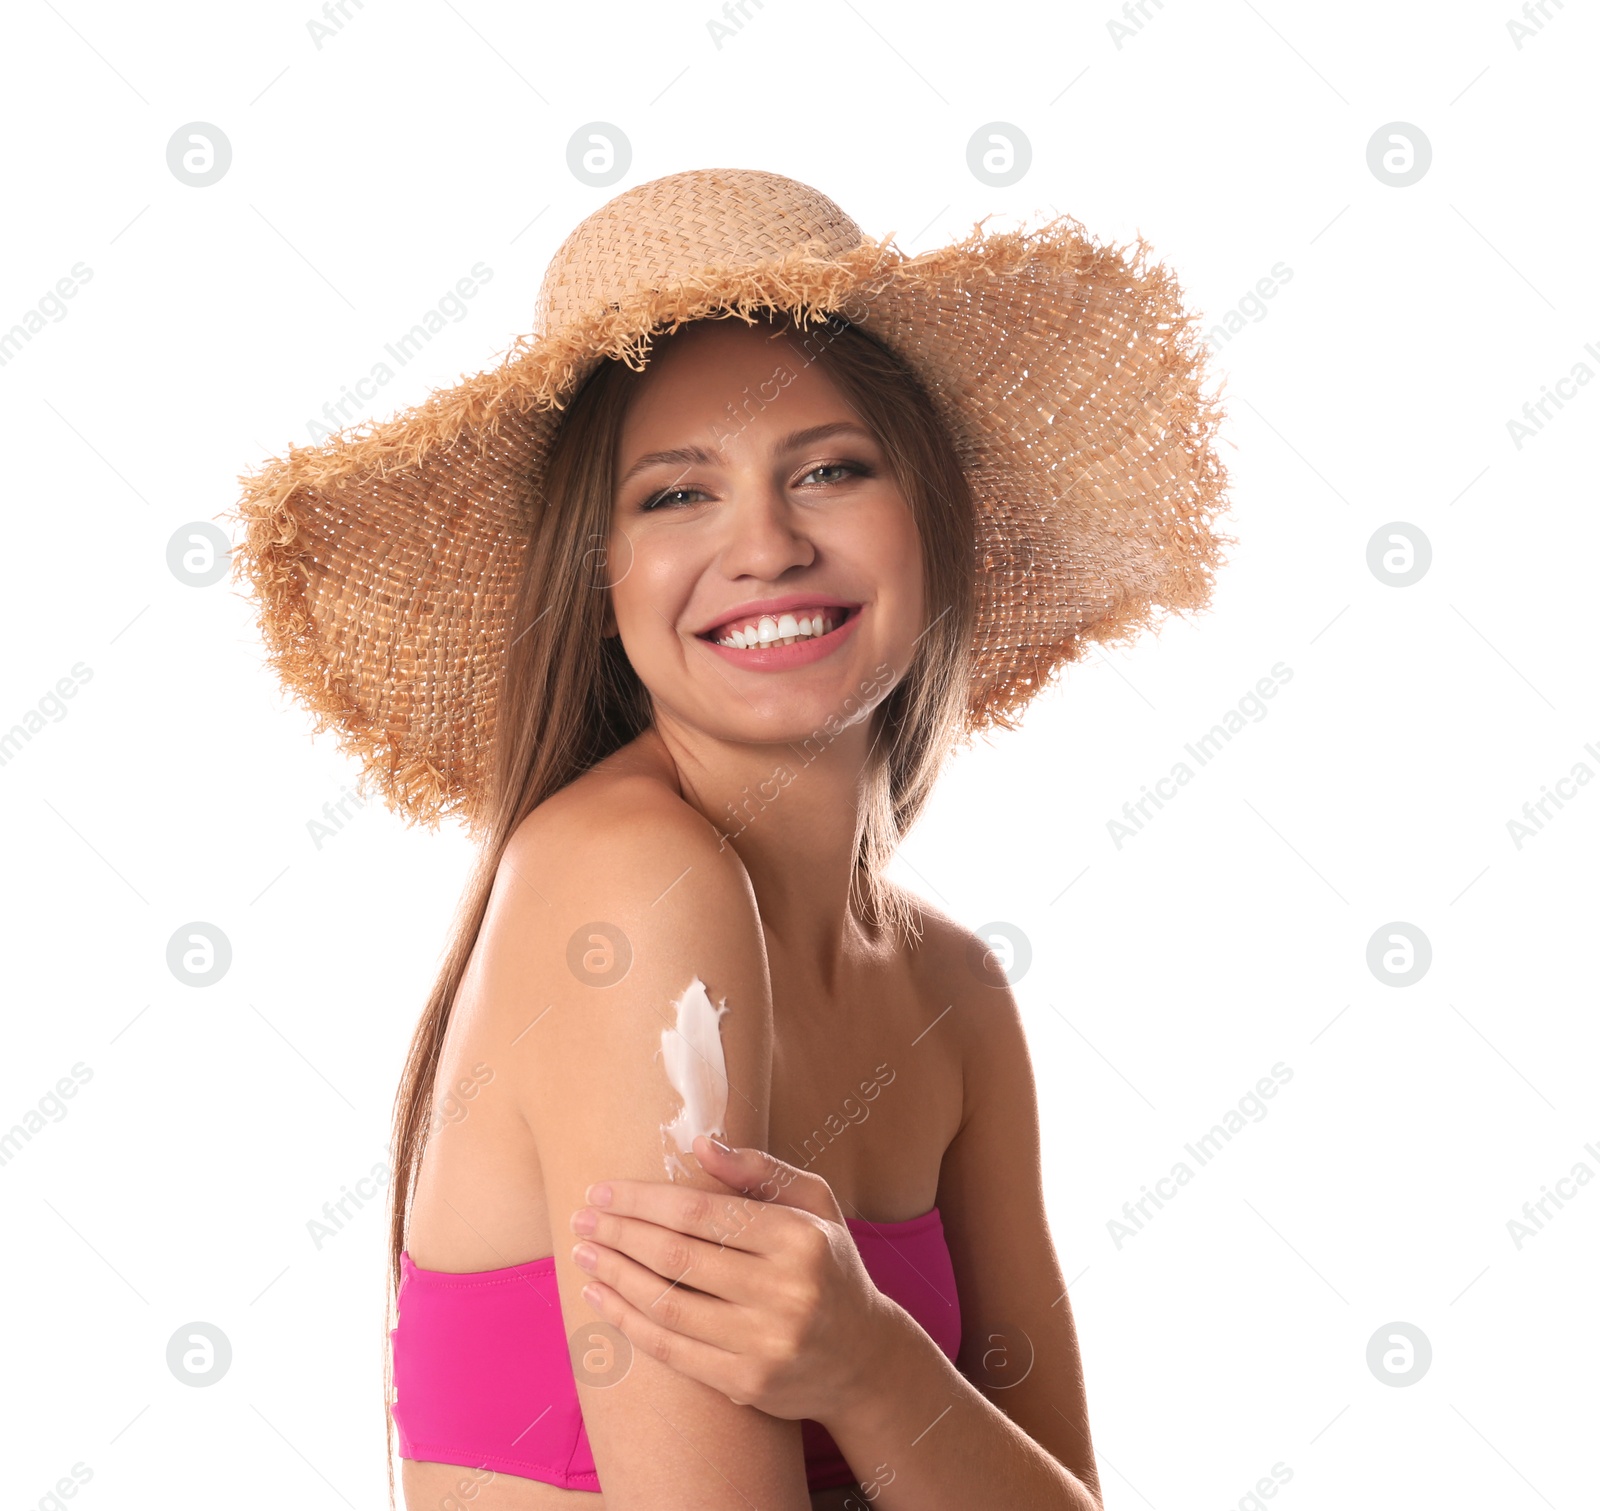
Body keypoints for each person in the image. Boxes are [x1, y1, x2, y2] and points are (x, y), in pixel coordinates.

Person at [224, 168, 1232, 1511]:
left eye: (828, 469)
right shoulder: (634, 892)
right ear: (598, 581)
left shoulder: (955, 997)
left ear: (930, 514)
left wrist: (874, 1368)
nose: (764, 545)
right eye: (675, 496)